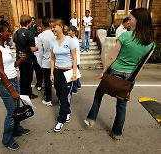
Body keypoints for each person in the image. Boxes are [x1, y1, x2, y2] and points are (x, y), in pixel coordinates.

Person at [84, 8, 155, 140]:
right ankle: (117, 133)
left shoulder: (126, 36)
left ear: (138, 20)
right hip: (130, 75)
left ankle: (91, 118)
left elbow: (112, 57)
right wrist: (132, 79)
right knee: (122, 104)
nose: (128, 21)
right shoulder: (151, 44)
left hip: (114, 71)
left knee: (99, 93)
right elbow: (141, 64)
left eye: (130, 18)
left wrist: (103, 71)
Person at [0, 20, 30, 150]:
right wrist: (11, 90)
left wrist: (21, 59)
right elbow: (1, 72)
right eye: (7, 31)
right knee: (11, 113)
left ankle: (17, 130)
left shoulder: (5, 46)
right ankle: (7, 139)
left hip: (13, 80)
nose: (10, 33)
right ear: (0, 32)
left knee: (17, 109)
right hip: (5, 84)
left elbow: (11, 66)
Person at [50, 19, 77, 132]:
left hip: (68, 72)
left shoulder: (70, 41)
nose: (52, 29)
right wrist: (51, 73)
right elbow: (52, 59)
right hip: (57, 72)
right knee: (59, 94)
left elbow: (74, 58)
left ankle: (61, 120)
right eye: (51, 27)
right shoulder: (52, 42)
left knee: (64, 96)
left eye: (54, 27)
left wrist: (74, 73)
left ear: (61, 26)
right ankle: (67, 111)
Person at [13, 14, 38, 99]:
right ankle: (28, 93)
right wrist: (38, 47)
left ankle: (22, 92)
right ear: (28, 23)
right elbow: (32, 49)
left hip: (19, 58)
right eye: (30, 22)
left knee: (23, 76)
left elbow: (14, 46)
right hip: (27, 58)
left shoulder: (16, 33)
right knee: (28, 77)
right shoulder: (29, 34)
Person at [37, 17, 55, 106]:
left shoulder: (41, 36)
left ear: (42, 25)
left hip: (46, 61)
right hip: (55, 61)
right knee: (57, 82)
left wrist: (40, 63)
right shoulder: (54, 34)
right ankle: (60, 99)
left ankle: (48, 100)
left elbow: (40, 52)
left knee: (47, 82)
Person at [68, 25, 81, 94]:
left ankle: (74, 89)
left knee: (74, 74)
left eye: (69, 31)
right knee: (77, 73)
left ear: (73, 32)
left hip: (74, 60)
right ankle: (78, 85)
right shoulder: (74, 39)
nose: (68, 32)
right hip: (76, 60)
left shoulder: (73, 40)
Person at [33, 24, 44, 91]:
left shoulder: (43, 37)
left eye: (41, 30)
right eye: (38, 30)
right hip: (36, 57)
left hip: (43, 57)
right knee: (38, 72)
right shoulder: (34, 38)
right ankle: (39, 84)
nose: (40, 31)